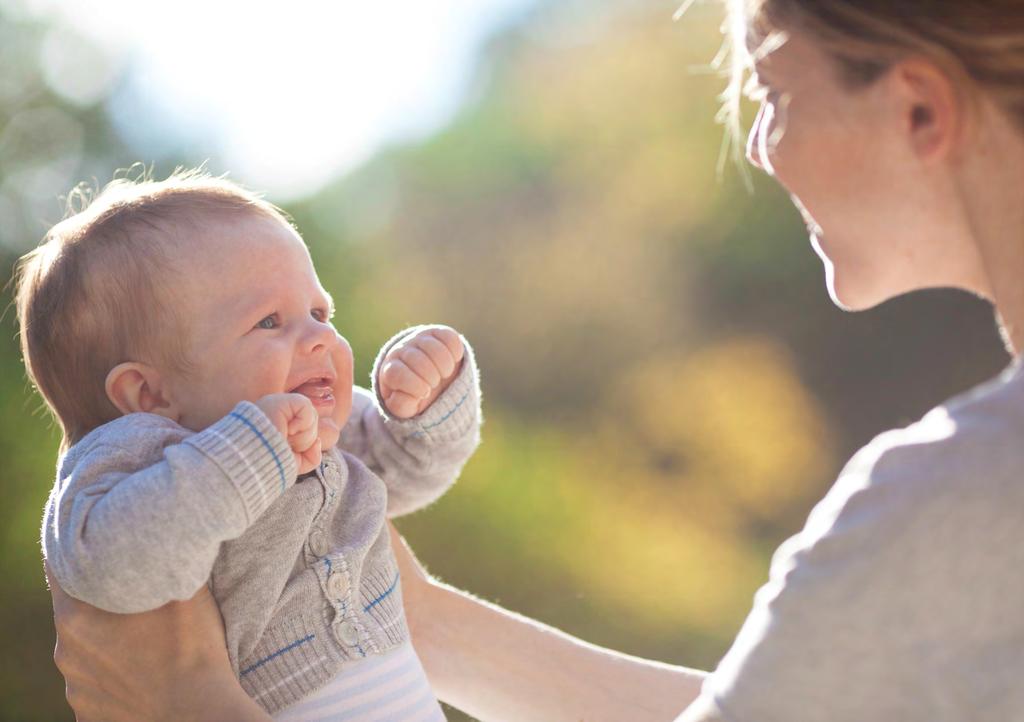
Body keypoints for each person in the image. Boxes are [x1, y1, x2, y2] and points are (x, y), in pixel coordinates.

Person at [42, 0, 1024, 719]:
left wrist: (184, 698)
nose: (760, 149)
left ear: (919, 113)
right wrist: (418, 621)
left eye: (771, 94)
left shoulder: (955, 502)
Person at [19, 171, 482, 720]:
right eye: (268, 321)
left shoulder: (318, 417)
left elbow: (408, 471)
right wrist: (247, 457)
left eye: (319, 313)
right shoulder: (130, 457)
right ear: (149, 393)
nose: (320, 338)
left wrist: (424, 404)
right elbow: (108, 567)